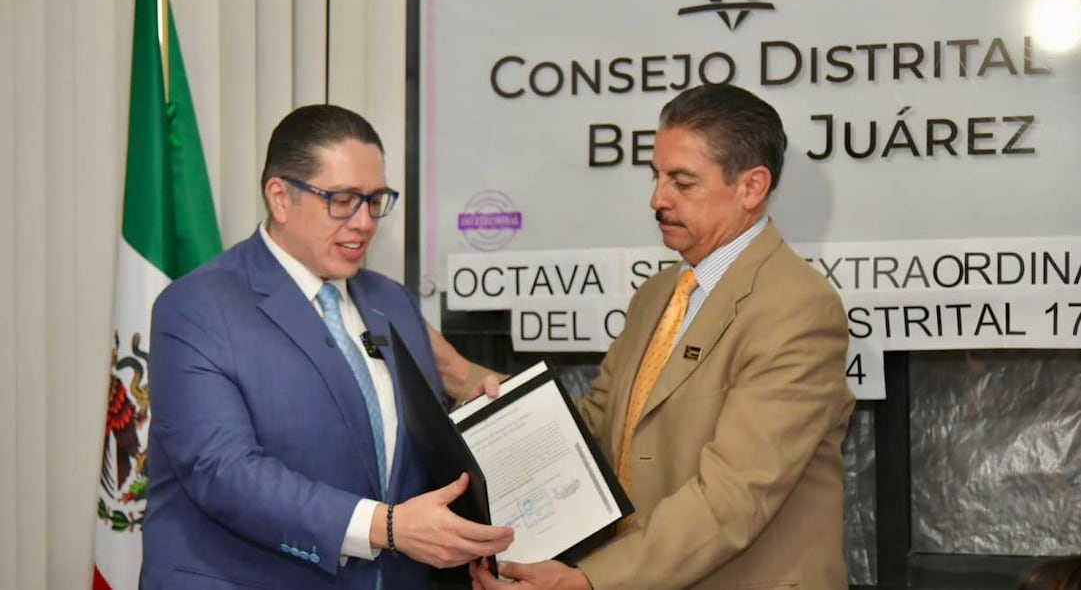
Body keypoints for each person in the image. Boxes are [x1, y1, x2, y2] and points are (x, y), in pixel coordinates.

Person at [471, 83, 855, 589]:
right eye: (656, 177)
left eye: (682, 181)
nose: (657, 198)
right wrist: (482, 398)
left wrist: (586, 582)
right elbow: (597, 429)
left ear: (752, 187)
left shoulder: (797, 309)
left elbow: (733, 498)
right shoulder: (657, 295)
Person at [141, 104, 512, 589]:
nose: (364, 222)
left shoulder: (390, 302)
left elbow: (419, 446)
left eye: (375, 200)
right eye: (342, 200)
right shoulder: (197, 308)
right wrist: (388, 528)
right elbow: (223, 471)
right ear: (280, 197)